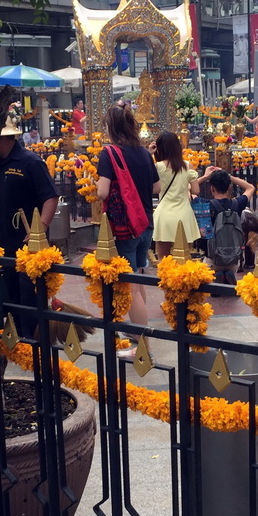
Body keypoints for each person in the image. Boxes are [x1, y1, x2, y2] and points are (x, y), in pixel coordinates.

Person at [0, 111, 58, 332]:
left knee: (29, 296)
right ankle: (17, 340)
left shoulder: (30, 162)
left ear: (1, 137)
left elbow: (50, 197)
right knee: (10, 294)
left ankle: (33, 344)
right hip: (5, 241)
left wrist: (42, 229)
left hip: (29, 244)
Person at [96, 103, 159, 344]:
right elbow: (156, 187)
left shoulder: (110, 153)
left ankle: (141, 336)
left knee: (130, 284)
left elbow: (102, 193)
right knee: (139, 277)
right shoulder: (144, 152)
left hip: (126, 227)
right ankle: (139, 327)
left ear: (111, 127)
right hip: (146, 223)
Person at [152, 131, 205, 260]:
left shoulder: (157, 166)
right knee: (184, 259)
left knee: (163, 260)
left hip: (164, 215)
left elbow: (152, 188)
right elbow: (196, 191)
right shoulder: (187, 165)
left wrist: (150, 153)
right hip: (184, 215)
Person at [206, 168, 255, 285]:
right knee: (230, 268)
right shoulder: (237, 203)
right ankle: (228, 273)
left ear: (211, 188)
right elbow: (250, 188)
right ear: (229, 187)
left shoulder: (206, 205)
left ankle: (215, 276)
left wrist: (206, 176)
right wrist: (229, 177)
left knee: (207, 268)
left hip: (213, 257)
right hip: (234, 259)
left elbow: (186, 189)